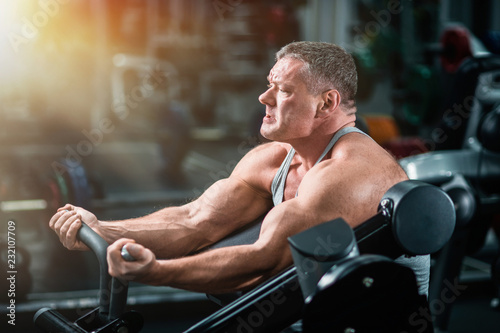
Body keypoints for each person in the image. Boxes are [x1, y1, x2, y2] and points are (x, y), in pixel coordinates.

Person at [50, 41, 429, 295]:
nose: (264, 98)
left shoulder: (352, 171)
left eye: (283, 90)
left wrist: (155, 272)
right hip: (312, 310)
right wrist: (100, 228)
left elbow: (266, 260)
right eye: (269, 85)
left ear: (326, 104)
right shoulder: (275, 158)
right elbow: (194, 221)